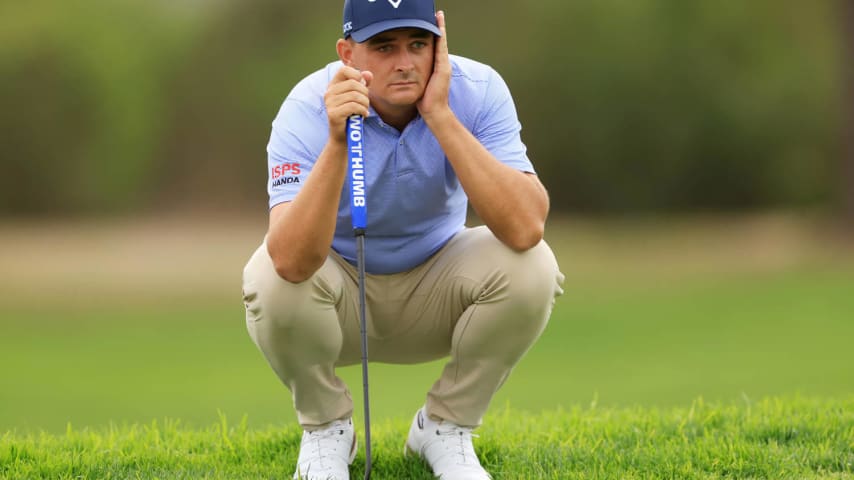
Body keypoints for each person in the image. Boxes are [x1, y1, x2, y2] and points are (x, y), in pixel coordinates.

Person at [242, 0, 564, 478]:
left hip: (438, 285)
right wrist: (337, 141)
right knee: (268, 277)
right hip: (337, 295)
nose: (405, 62)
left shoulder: (478, 89)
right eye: (384, 46)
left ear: (440, 44)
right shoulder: (308, 105)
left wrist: (440, 114)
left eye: (418, 44)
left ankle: (445, 426)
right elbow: (290, 260)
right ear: (347, 53)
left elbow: (525, 226)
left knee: (533, 267)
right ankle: (327, 429)